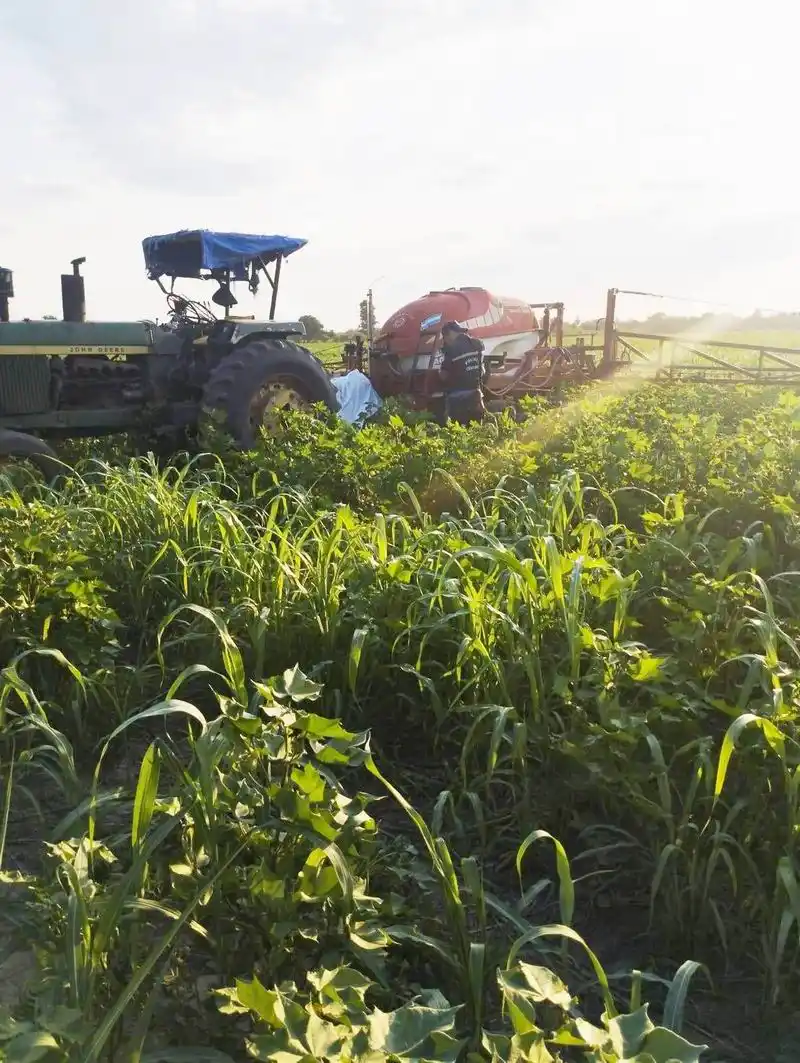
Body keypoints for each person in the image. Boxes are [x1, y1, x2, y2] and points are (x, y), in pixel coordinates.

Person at [438, 321, 486, 424]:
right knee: (477, 431)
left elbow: (443, 376)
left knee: (458, 432)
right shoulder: (477, 344)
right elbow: (482, 370)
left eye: (444, 338)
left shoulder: (451, 349)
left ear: (449, 334)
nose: (444, 341)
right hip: (476, 396)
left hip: (458, 399)